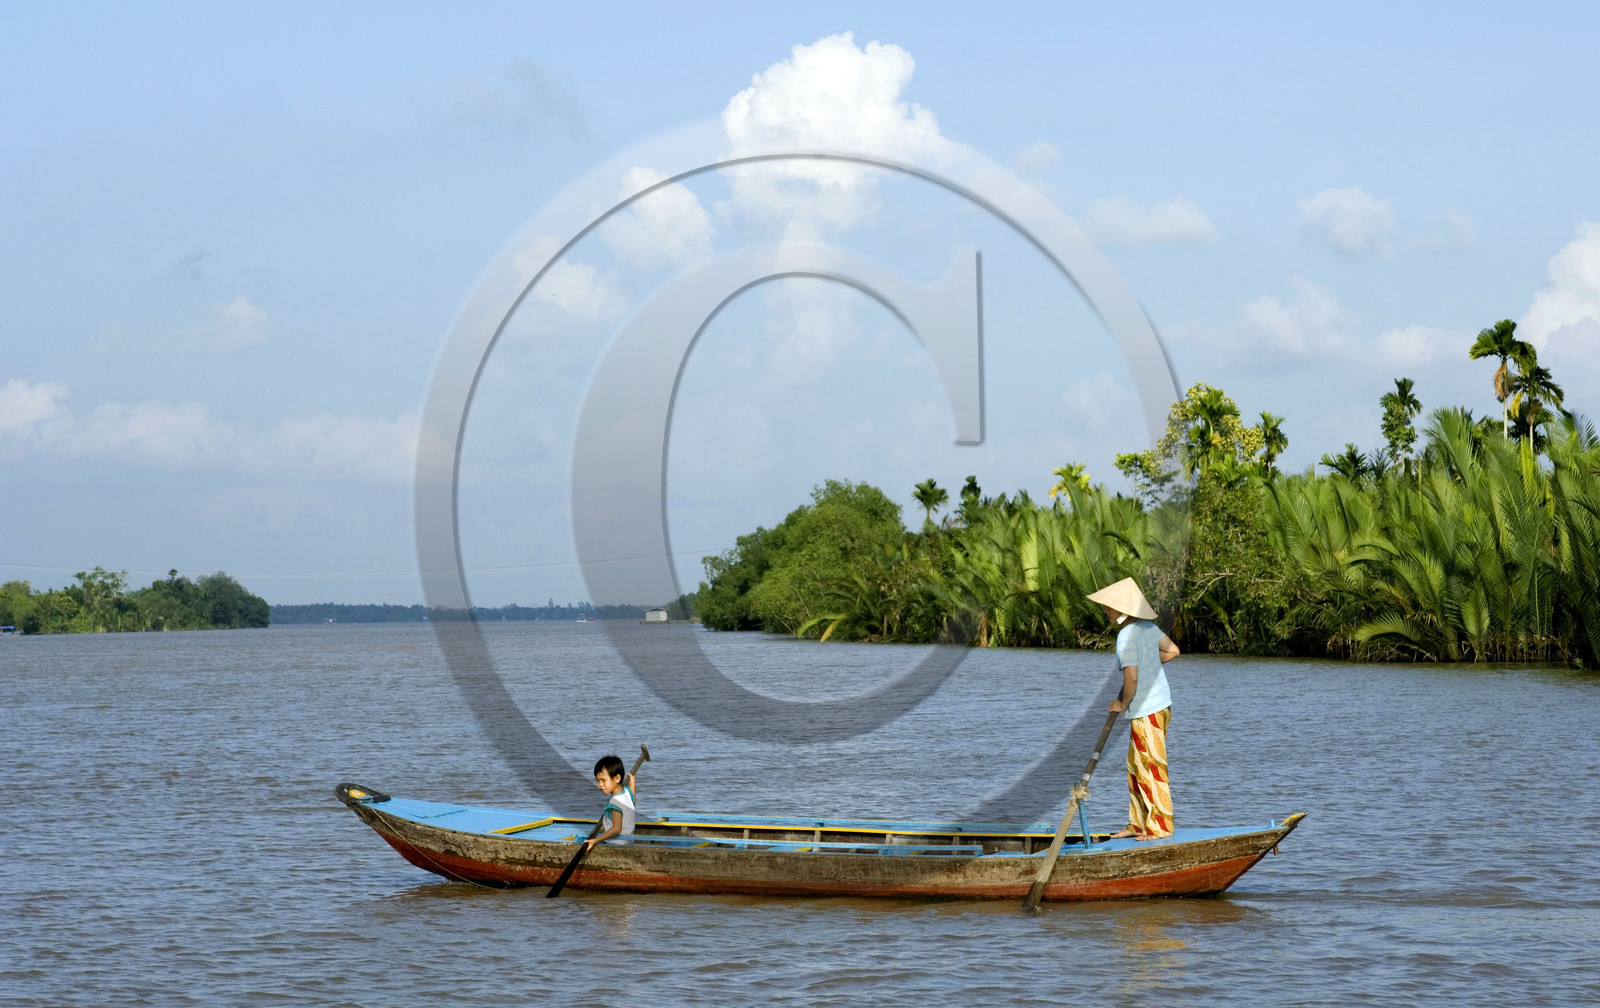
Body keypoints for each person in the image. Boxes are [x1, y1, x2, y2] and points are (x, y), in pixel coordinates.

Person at [1086, 577, 1181, 840]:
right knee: (1135, 764)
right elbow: (1173, 651)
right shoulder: (1147, 628)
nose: (1105, 611)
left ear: (1122, 610)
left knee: (1151, 766)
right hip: (1161, 706)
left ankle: (1160, 827)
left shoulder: (1127, 636)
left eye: (1109, 606)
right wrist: (1150, 660)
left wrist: (1122, 704)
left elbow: (1132, 678)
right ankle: (1138, 824)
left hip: (1148, 710)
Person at [583, 754, 638, 851]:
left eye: (604, 781)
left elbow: (617, 829)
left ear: (617, 778)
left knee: (585, 841)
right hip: (628, 841)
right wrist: (632, 784)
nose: (600, 785)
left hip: (616, 843)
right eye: (598, 781)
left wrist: (595, 840)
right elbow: (632, 803)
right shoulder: (626, 791)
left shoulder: (615, 803)